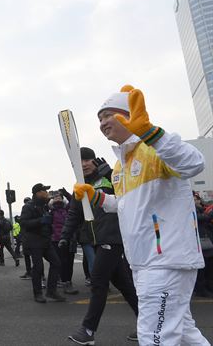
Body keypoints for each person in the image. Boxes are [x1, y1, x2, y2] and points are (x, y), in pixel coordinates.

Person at [74, 85, 209, 345]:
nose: (102, 123)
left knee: (153, 337)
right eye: (99, 118)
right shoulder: (119, 166)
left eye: (109, 115)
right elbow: (125, 205)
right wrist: (97, 197)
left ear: (130, 114)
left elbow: (195, 163)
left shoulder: (157, 148)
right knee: (183, 332)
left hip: (166, 260)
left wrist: (151, 133)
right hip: (142, 260)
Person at [63, 147, 139, 345]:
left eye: (87, 159)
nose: (84, 164)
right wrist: (65, 235)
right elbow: (74, 214)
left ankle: (88, 331)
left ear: (94, 160)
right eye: (79, 161)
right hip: (97, 240)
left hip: (113, 237)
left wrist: (112, 175)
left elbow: (128, 196)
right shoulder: (79, 186)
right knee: (125, 285)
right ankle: (149, 322)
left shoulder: (110, 177)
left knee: (98, 282)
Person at [20, 183, 66, 303]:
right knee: (38, 267)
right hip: (34, 240)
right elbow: (24, 223)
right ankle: (38, 293)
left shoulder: (45, 206)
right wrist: (41, 221)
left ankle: (51, 291)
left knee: (56, 263)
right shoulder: (28, 207)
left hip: (46, 240)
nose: (46, 193)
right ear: (38, 193)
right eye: (44, 191)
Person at [48, 190, 78, 295]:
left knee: (70, 262)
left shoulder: (67, 209)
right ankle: (65, 283)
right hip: (57, 240)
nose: (58, 198)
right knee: (62, 262)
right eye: (55, 197)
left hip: (70, 239)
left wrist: (66, 193)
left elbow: (73, 201)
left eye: (59, 197)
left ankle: (68, 281)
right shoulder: (50, 211)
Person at [194, 193, 213, 297]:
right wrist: (209, 215)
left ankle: (208, 286)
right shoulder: (190, 210)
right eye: (194, 199)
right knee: (202, 268)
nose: (196, 200)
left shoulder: (202, 208)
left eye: (197, 198)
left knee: (209, 267)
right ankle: (201, 289)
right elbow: (199, 219)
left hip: (207, 240)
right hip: (200, 241)